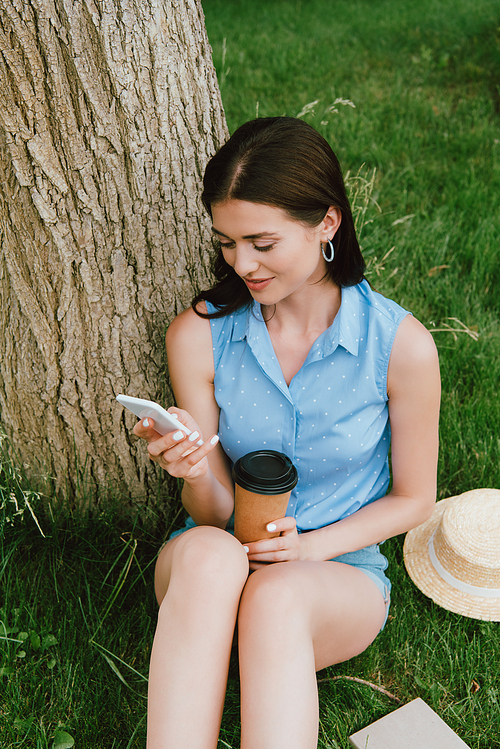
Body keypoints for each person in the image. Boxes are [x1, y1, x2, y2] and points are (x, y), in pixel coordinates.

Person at [134, 117, 441, 749]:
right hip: (212, 569)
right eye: (226, 243)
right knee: (207, 552)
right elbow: (212, 513)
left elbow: (415, 499)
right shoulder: (198, 335)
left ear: (327, 223)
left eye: (262, 243)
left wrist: (310, 549)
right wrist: (194, 471)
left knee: (276, 597)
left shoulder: (398, 347)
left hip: (333, 575)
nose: (240, 263)